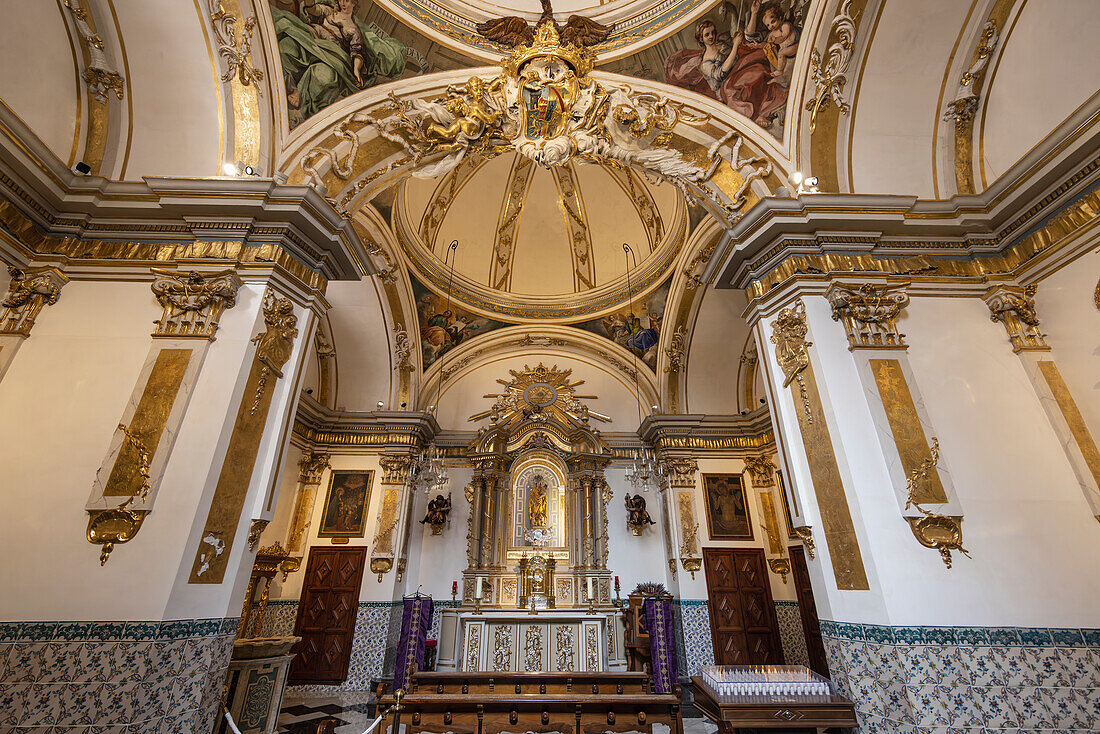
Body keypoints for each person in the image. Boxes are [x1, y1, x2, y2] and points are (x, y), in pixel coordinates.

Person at [273, 0, 409, 125]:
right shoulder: (330, 10)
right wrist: (309, 3)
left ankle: (300, 97)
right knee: (286, 46)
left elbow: (357, 53)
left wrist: (356, 70)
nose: (344, 3)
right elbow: (313, 10)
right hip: (311, 39)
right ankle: (291, 87)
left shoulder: (353, 29)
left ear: (355, 4)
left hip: (330, 52)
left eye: (348, 1)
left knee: (322, 75)